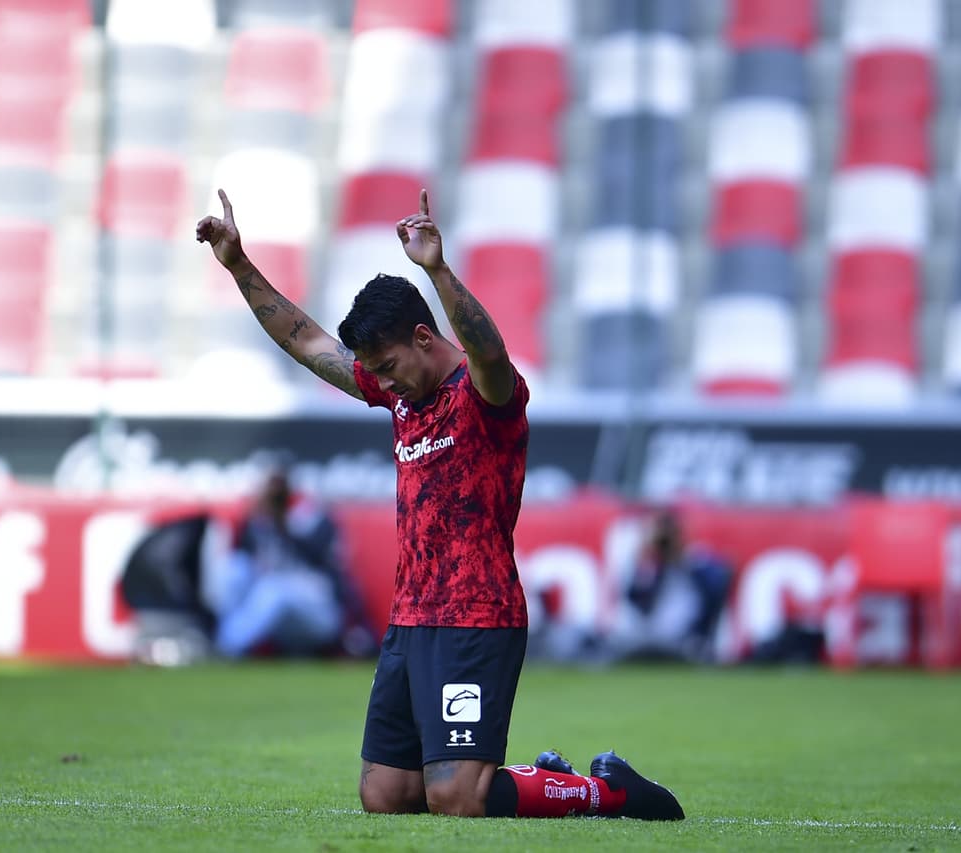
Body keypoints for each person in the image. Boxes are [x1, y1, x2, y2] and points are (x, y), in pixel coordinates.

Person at [196, 188, 683, 820]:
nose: (382, 379)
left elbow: (488, 351)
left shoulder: (486, 396)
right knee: (386, 795)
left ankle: (606, 790)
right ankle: (540, 780)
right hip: (411, 616)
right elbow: (309, 341)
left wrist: (437, 270)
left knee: (456, 797)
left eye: (389, 364)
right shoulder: (402, 394)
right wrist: (238, 265)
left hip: (477, 616)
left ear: (424, 337)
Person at [210, 458, 374, 660]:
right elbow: (245, 556)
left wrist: (283, 523)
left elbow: (320, 560)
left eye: (279, 486)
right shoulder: (260, 518)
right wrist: (258, 516)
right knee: (233, 570)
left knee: (275, 589)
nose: (275, 492)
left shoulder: (314, 516)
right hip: (276, 615)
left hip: (319, 611)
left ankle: (224, 649)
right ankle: (222, 638)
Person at [599, 508, 733, 666]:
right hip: (645, 639)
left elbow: (716, 589)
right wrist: (642, 559)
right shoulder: (646, 565)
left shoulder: (696, 560)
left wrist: (681, 558)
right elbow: (634, 600)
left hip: (684, 641)